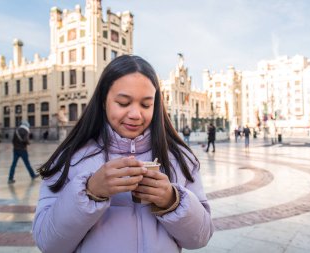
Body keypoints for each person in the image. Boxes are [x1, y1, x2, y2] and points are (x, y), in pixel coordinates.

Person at [32, 55, 214, 253]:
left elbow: (201, 238)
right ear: (104, 101)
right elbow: (48, 242)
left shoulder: (180, 159)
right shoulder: (69, 159)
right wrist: (90, 191)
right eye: (123, 103)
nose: (135, 114)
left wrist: (172, 201)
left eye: (146, 105)